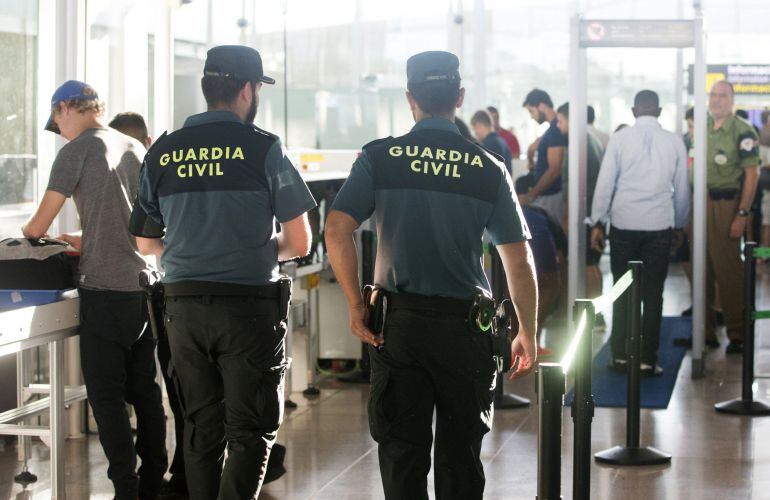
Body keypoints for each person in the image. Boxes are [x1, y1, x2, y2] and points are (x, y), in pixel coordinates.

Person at [325, 51, 538, 500]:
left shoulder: (379, 157)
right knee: (461, 459)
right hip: (466, 331)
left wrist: (356, 304)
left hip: (397, 328)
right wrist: (527, 331)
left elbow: (336, 228)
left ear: (410, 99)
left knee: (402, 456)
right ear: (459, 97)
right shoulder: (488, 167)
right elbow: (518, 260)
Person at [129, 45, 316, 499]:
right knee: (250, 428)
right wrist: (250, 250)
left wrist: (194, 249)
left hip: (183, 310)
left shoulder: (163, 151)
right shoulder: (264, 148)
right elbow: (300, 242)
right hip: (248, 311)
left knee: (200, 426)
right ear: (248, 90)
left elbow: (146, 243)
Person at [22, 81, 167, 499]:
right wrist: (86, 238)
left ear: (67, 107)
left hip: (104, 291)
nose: (60, 132)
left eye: (57, 122)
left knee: (106, 398)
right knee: (145, 391)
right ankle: (153, 479)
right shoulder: (133, 147)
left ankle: (126, 487)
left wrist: (29, 234)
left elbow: (38, 226)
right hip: (144, 288)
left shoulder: (77, 151)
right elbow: (134, 223)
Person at [590, 90, 690, 376]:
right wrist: (680, 224)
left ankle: (620, 356)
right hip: (659, 225)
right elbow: (682, 189)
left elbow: (605, 183)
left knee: (621, 290)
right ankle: (647, 359)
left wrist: (597, 221)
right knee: (653, 294)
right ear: (659, 111)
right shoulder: (674, 141)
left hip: (623, 223)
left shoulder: (620, 139)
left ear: (634, 111)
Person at [685, 80, 760, 354]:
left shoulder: (742, 130)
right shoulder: (701, 127)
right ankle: (704, 333)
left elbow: (752, 174)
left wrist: (742, 213)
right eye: (713, 95)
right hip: (699, 202)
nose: (716, 100)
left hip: (726, 204)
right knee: (698, 268)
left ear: (732, 100)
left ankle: (737, 333)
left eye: (722, 96)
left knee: (728, 270)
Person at [554, 103, 606, 324]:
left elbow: (577, 186)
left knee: (589, 264)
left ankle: (596, 316)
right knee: (589, 264)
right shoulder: (587, 140)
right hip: (589, 211)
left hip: (585, 213)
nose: (558, 126)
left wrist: (568, 217)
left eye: (561, 121)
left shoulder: (581, 144)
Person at [521, 88, 567, 223]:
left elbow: (554, 170)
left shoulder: (555, 130)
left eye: (531, 111)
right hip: (547, 195)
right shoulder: (552, 129)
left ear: (541, 106)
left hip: (551, 196)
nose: (531, 116)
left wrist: (530, 196)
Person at [470, 109, 512, 173]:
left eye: (474, 129)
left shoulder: (488, 146)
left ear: (480, 126)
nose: (475, 133)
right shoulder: (501, 141)